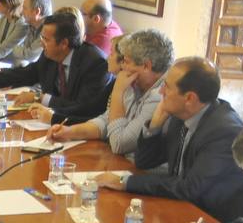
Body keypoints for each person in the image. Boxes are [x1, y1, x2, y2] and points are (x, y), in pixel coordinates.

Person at [95, 56, 243, 223]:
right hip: (182, 210)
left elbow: (190, 188)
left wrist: (124, 182)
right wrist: (153, 127)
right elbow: (144, 162)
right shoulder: (181, 114)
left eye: (167, 87)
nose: (161, 92)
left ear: (189, 98)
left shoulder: (224, 131)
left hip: (214, 222)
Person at [45, 28, 174, 154]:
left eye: (127, 62)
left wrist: (118, 92)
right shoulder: (135, 83)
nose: (123, 66)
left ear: (146, 66)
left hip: (142, 170)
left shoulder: (160, 95)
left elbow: (119, 144)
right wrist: (70, 132)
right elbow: (105, 121)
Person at [0, 14, 110, 124]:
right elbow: (23, 74)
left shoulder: (95, 63)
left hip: (78, 129)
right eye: (41, 37)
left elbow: (83, 107)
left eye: (46, 39)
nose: (41, 43)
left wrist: (40, 98)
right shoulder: (50, 55)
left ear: (64, 43)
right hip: (48, 124)